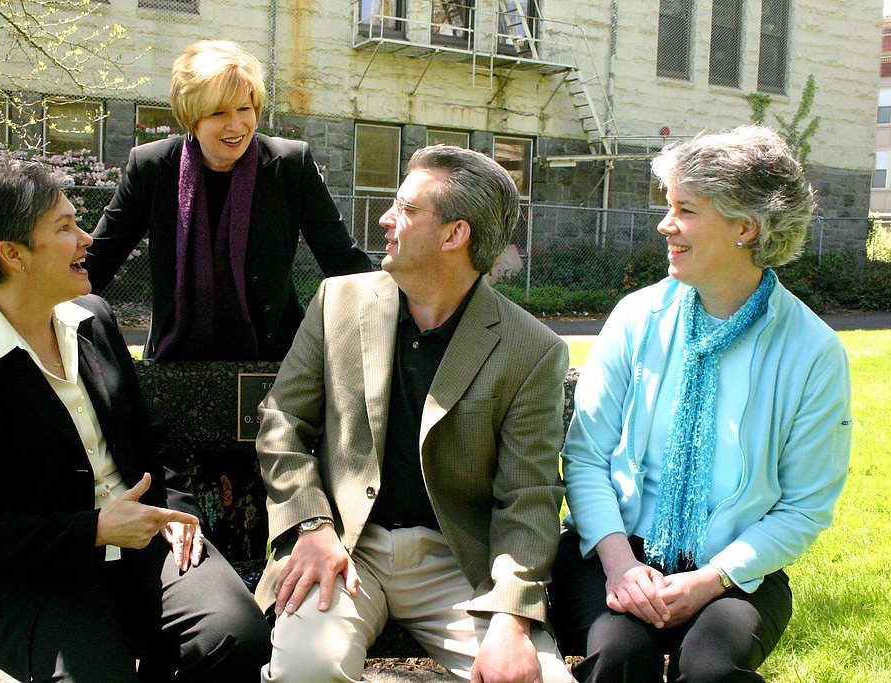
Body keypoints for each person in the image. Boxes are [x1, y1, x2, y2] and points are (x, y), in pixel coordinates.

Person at [0, 156, 272, 682]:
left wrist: (175, 516)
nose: (87, 239)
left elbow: (149, 440)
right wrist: (96, 529)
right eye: (65, 228)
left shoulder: (93, 320)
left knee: (235, 637)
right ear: (13, 254)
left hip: (143, 543)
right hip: (38, 577)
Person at [254, 144, 575, 683]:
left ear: (455, 235)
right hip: (346, 547)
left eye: (405, 209)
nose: (385, 218)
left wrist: (512, 616)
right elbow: (283, 421)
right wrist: (310, 525)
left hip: (460, 566)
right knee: (307, 668)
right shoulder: (339, 301)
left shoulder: (530, 348)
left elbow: (529, 494)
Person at [550, 125, 852, 682]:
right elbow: (588, 457)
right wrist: (620, 566)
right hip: (612, 551)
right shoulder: (637, 318)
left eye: (685, 210)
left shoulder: (813, 352)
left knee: (712, 669)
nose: (666, 225)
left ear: (746, 226)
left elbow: (805, 506)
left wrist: (712, 579)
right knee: (620, 654)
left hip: (737, 571)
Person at [85, 39, 372, 362]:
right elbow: (97, 261)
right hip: (175, 359)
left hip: (274, 360)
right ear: (191, 117)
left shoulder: (290, 164)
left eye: (244, 109)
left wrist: (394, 313)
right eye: (218, 112)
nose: (235, 126)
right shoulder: (152, 167)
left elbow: (344, 264)